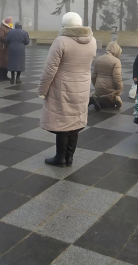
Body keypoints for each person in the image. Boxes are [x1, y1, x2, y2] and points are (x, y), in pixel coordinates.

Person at [40, 12, 96, 167]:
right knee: (75, 121)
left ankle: (60, 158)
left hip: (63, 86)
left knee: (63, 122)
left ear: (64, 25)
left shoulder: (61, 41)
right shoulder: (93, 41)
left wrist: (42, 89)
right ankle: (69, 157)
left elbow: (50, 68)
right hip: (83, 86)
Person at [89, 41, 124, 111]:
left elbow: (93, 76)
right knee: (114, 99)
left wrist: (96, 85)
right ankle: (112, 99)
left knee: (99, 94)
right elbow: (117, 77)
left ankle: (95, 98)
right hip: (110, 88)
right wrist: (120, 88)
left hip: (98, 87)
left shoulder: (98, 59)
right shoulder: (116, 61)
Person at [0, 17, 13, 82]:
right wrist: (8, 39)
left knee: (6, 62)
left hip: (7, 47)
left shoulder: (9, 28)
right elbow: (0, 37)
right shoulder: (2, 28)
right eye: (10, 22)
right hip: (2, 47)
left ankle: (4, 76)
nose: (11, 23)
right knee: (1, 62)